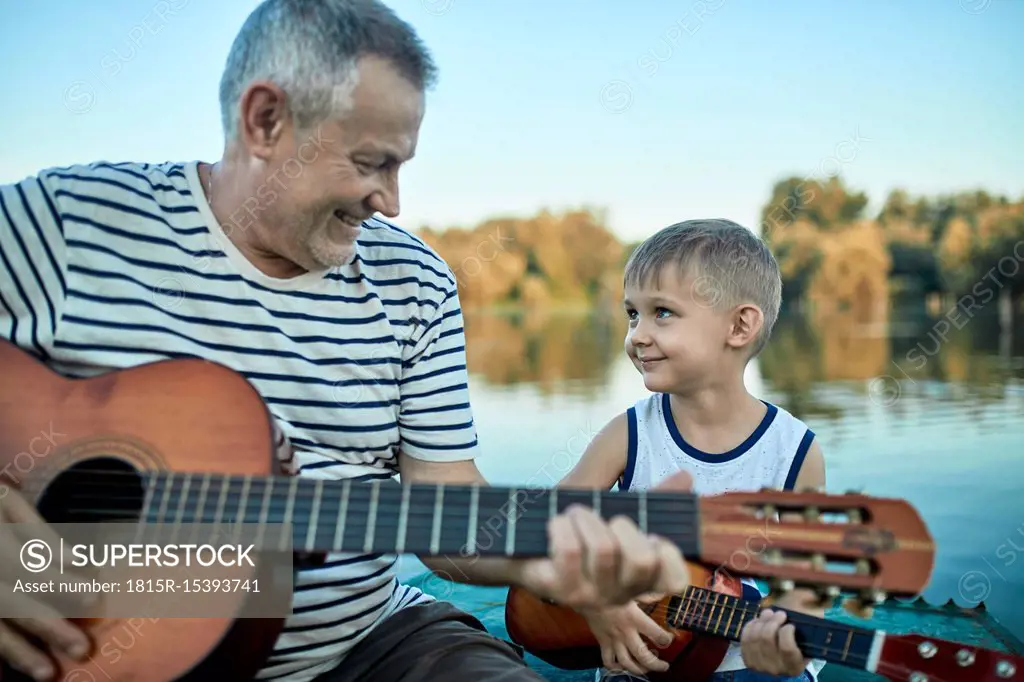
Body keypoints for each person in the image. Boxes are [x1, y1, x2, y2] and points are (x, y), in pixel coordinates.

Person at [0, 1, 695, 681]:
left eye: (401, 167)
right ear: (265, 120)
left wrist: (548, 556)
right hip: (86, 650)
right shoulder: (65, 227)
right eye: (372, 163)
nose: (391, 201)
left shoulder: (415, 281)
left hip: (371, 646)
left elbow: (446, 509)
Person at [556, 219, 828, 681]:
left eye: (662, 312)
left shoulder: (794, 452)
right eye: (632, 314)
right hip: (643, 659)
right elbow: (548, 525)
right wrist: (596, 599)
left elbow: (805, 588)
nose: (637, 335)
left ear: (739, 326)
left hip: (748, 666)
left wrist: (787, 637)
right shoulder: (629, 434)